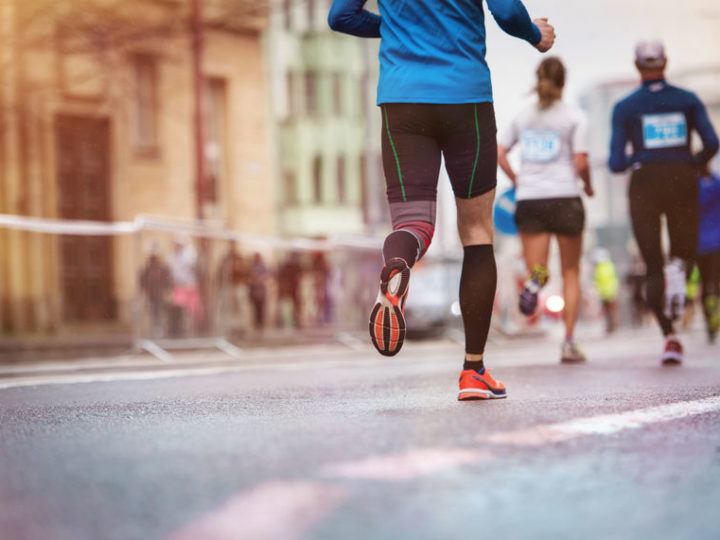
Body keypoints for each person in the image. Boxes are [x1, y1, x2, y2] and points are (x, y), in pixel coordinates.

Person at [329, 0, 555, 400]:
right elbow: (506, 13)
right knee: (477, 232)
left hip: (402, 100)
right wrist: (535, 35)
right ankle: (473, 371)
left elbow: (340, 16)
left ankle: (396, 267)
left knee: (413, 223)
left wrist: (397, 28)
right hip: (465, 98)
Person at [608, 41, 719, 365]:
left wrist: (638, 157)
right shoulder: (687, 101)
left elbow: (616, 163)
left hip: (644, 183)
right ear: (665, 62)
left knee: (652, 265)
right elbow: (712, 143)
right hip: (682, 180)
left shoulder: (625, 108)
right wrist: (691, 162)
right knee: (682, 253)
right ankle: (678, 270)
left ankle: (670, 337)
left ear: (637, 66)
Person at [497, 56, 594, 363]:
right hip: (565, 197)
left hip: (531, 200)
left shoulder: (523, 117)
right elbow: (580, 161)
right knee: (570, 271)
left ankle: (533, 283)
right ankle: (568, 341)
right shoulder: (574, 117)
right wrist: (588, 186)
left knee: (536, 268)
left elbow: (499, 152)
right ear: (563, 82)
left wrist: (518, 181)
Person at [697, 170, 720, 343]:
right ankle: (715, 310)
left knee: (706, 283)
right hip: (717, 242)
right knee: (716, 281)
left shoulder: (694, 185)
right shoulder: (717, 183)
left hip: (700, 244)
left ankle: (709, 320)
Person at [592, 249, 619, 335]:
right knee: (609, 311)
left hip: (608, 293)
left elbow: (601, 280)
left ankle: (611, 326)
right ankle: (611, 326)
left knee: (609, 310)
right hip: (606, 293)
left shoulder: (602, 268)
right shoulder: (608, 266)